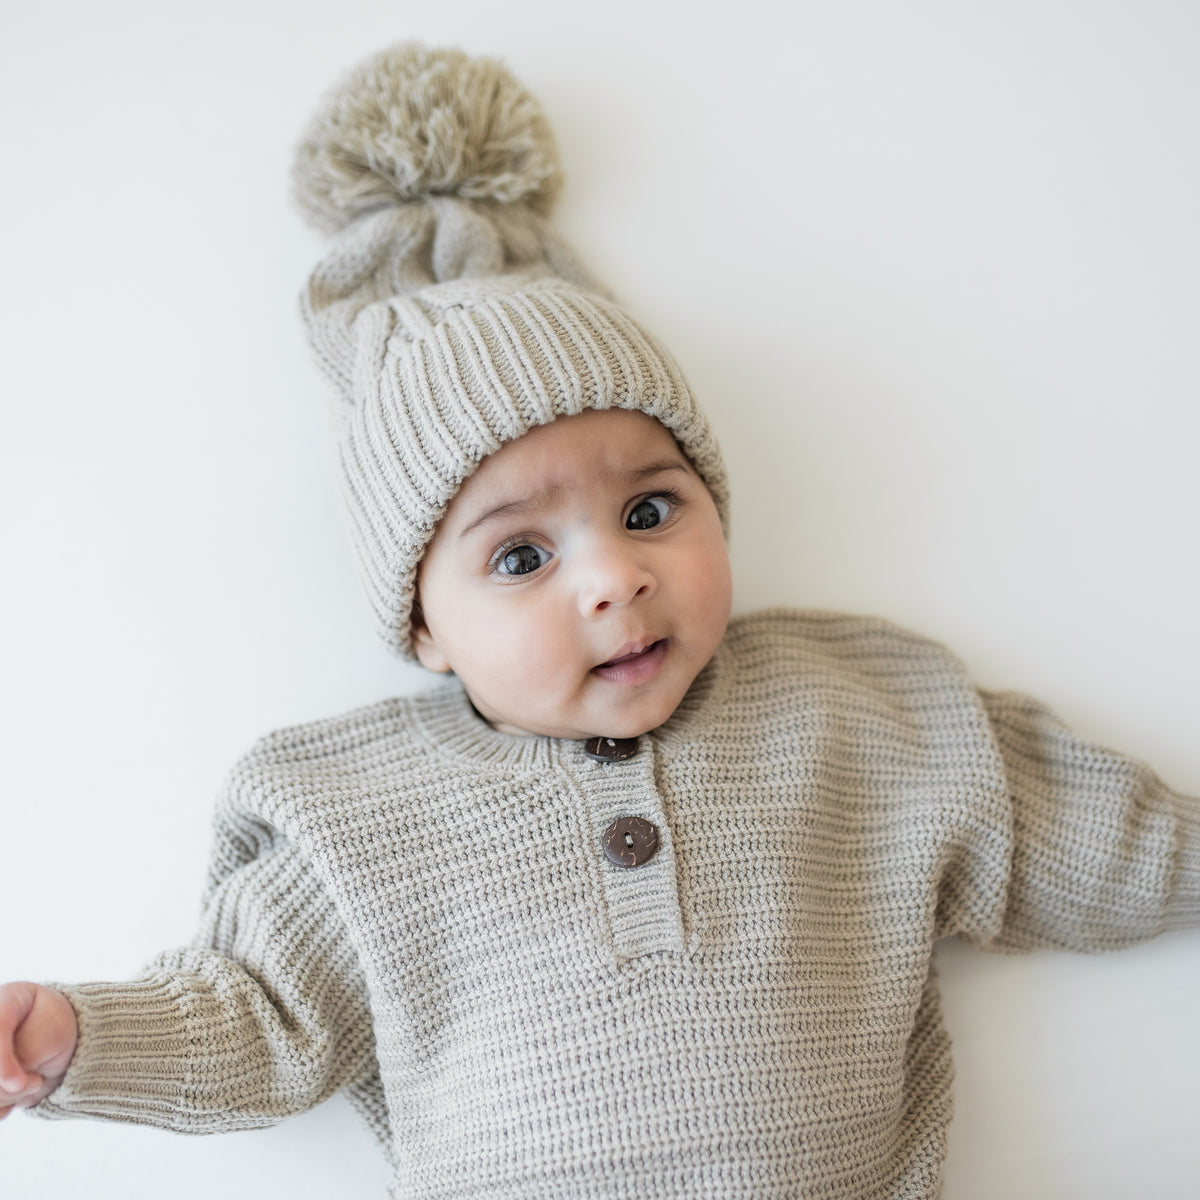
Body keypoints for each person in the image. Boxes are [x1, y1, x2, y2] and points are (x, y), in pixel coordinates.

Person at [1, 42, 1197, 1199]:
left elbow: (1084, 834)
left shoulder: (863, 716)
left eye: (650, 507)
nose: (613, 578)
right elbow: (254, 1016)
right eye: (521, 554)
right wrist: (72, 1039)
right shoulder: (355, 819)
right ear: (425, 627)